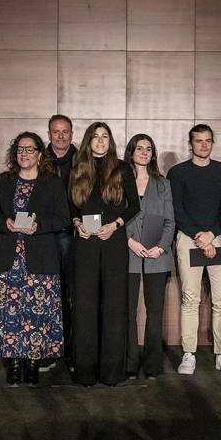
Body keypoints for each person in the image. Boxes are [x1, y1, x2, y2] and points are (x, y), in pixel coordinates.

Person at [0, 132, 69, 387]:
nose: (24, 154)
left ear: (40, 154)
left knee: (37, 316)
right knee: (10, 316)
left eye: (29, 150)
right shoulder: (4, 180)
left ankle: (32, 365)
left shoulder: (52, 182)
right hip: (11, 259)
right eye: (20, 150)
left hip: (41, 260)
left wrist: (39, 225)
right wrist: (5, 222)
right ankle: (13, 365)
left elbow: (63, 218)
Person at [69, 122, 139, 386]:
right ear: (89, 140)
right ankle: (85, 372)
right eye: (96, 136)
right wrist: (77, 224)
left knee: (113, 306)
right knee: (85, 307)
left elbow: (134, 206)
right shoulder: (78, 168)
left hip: (113, 241)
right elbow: (71, 206)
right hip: (85, 242)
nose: (100, 141)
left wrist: (116, 224)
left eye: (105, 136)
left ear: (110, 141)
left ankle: (111, 373)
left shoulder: (121, 168)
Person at [167, 124, 221, 376]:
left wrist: (211, 234)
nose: (204, 145)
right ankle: (189, 353)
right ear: (190, 143)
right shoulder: (177, 173)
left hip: (219, 236)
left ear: (212, 142)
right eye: (199, 141)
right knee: (190, 299)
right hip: (188, 238)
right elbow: (177, 210)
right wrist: (199, 235)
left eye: (208, 141)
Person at [124, 134, 175, 380]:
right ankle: (130, 363)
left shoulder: (162, 184)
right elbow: (115, 216)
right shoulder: (121, 181)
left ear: (153, 154)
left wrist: (162, 247)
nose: (144, 152)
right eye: (139, 148)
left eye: (148, 149)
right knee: (128, 311)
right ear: (131, 152)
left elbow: (170, 220)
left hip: (157, 255)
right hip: (128, 253)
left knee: (155, 312)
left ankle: (153, 365)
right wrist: (129, 241)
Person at [45, 114, 77, 372]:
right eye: (56, 131)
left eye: (65, 131)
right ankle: (49, 347)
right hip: (44, 235)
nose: (61, 136)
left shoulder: (82, 159)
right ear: (49, 134)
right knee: (48, 293)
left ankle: (72, 348)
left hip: (73, 234)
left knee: (73, 292)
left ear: (72, 133)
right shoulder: (37, 157)